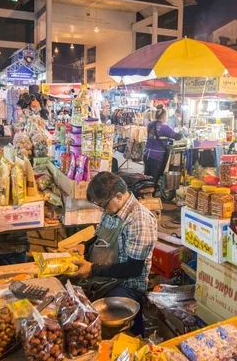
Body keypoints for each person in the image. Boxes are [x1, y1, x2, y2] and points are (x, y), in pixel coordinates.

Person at [72, 172, 157, 335]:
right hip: (104, 274)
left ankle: (133, 336)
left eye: (103, 206)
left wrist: (92, 269)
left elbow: (133, 268)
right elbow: (100, 236)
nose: (102, 211)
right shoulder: (113, 209)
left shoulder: (139, 221)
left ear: (118, 196)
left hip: (127, 285)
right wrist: (84, 245)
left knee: (96, 322)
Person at [143, 105, 183, 191]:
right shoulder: (165, 127)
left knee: (146, 177)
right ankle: (151, 197)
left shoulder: (150, 124)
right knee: (154, 179)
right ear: (164, 117)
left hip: (146, 154)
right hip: (156, 156)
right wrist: (182, 131)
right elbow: (177, 136)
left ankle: (144, 194)